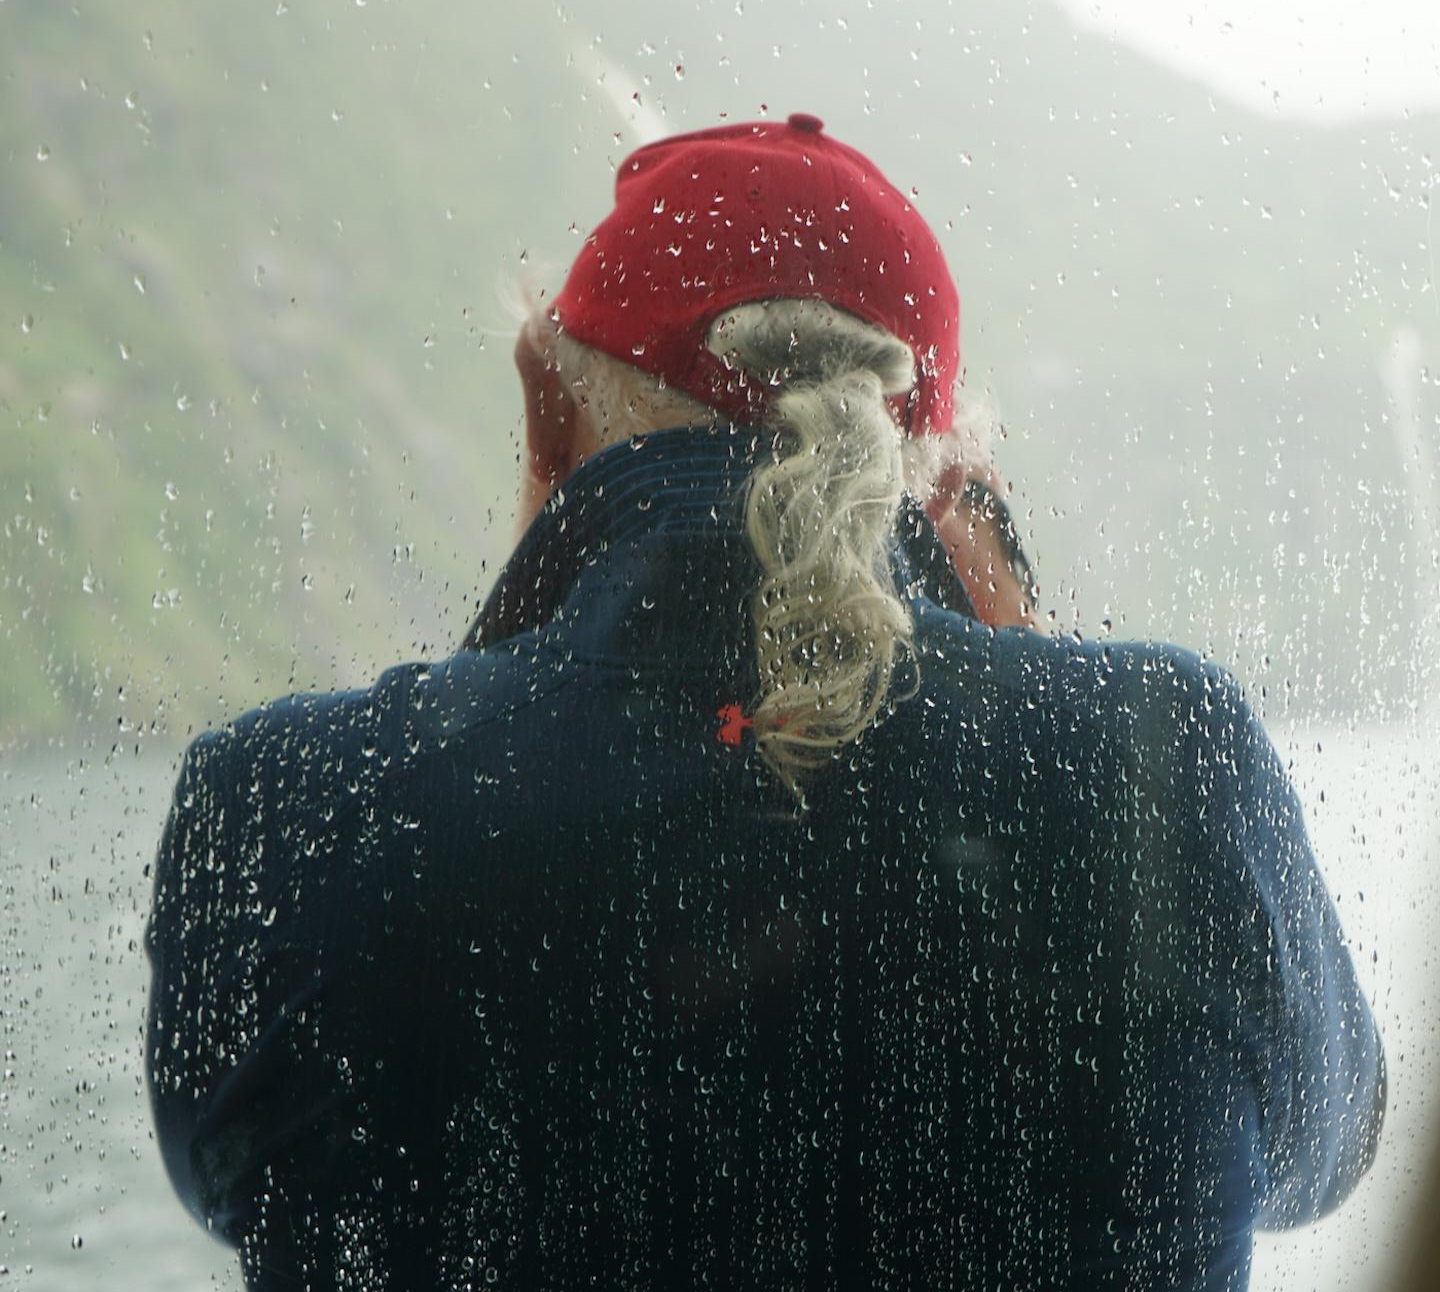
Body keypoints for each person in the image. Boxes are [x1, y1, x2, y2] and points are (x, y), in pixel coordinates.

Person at [145, 113, 1384, 1291]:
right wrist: (1040, 696)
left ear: (545, 406)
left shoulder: (287, 807)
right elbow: (1331, 1145)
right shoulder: (1162, 763)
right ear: (939, 463)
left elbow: (241, 1165)